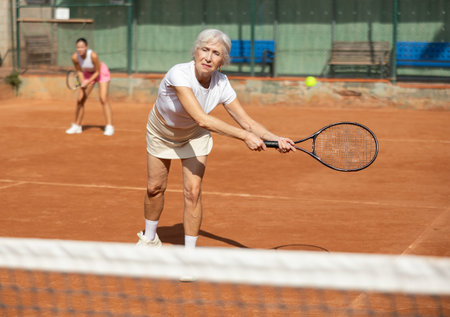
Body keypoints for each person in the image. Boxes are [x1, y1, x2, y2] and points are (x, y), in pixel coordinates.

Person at [136, 29, 296, 249]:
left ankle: (189, 256)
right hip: (162, 132)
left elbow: (247, 122)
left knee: (193, 192)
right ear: (195, 51)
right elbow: (202, 118)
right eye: (205, 50)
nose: (208, 57)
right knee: (155, 188)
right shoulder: (179, 74)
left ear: (223, 60)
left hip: (194, 135)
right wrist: (245, 137)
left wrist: (275, 138)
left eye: (216, 53)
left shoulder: (222, 84)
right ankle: (150, 238)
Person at [65, 38, 114, 136]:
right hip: (87, 73)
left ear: (86, 47)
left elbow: (97, 72)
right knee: (80, 100)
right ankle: (77, 126)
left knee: (103, 98)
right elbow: (79, 71)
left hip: (100, 72)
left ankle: (109, 126)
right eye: (78, 47)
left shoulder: (93, 56)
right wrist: (83, 82)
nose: (80, 49)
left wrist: (87, 83)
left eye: (82, 47)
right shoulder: (75, 57)